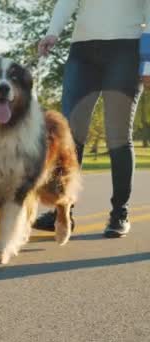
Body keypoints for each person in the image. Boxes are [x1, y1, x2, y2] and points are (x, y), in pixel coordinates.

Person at [35, 0, 150, 238]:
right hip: (83, 51)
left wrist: (148, 61)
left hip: (126, 49)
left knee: (117, 135)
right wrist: (52, 33)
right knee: (69, 135)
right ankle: (62, 211)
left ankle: (119, 212)